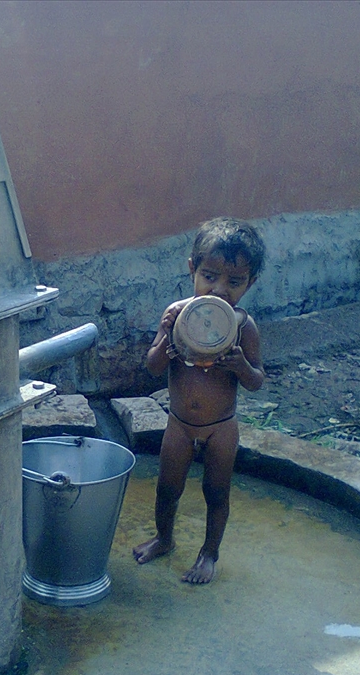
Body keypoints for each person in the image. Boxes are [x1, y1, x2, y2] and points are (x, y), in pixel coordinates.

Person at [133, 218, 266, 584]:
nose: (219, 290)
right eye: (210, 276)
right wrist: (167, 342)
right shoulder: (178, 316)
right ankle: (164, 538)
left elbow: (256, 381)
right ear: (193, 268)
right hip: (178, 424)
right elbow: (153, 366)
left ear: (249, 283)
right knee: (166, 487)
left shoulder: (242, 326)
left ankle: (209, 554)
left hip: (221, 428)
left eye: (234, 282)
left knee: (216, 491)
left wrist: (240, 365)